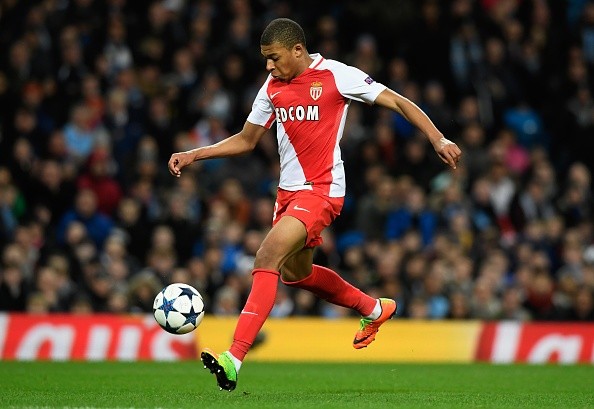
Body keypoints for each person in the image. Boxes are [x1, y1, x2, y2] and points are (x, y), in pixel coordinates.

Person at [168, 18, 461, 391]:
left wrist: (437, 138)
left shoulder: (337, 75)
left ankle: (234, 357)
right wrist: (194, 155)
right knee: (295, 274)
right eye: (265, 60)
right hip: (288, 193)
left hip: (321, 189)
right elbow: (246, 139)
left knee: (266, 256)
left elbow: (398, 102)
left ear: (297, 50)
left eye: (274, 58)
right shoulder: (272, 87)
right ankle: (374, 308)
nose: (269, 67)